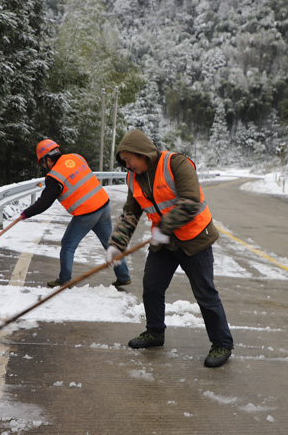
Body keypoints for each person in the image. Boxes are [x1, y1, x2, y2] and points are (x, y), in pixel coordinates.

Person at [105, 129, 233, 368]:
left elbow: (190, 201)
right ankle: (155, 332)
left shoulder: (176, 164)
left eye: (129, 159)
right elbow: (131, 213)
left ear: (142, 153)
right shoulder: (133, 178)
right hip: (164, 241)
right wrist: (116, 244)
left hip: (195, 239)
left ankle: (222, 343)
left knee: (205, 293)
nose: (127, 165)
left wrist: (164, 228)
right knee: (152, 287)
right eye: (123, 162)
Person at [21, 138, 131, 289]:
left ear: (47, 159)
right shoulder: (76, 157)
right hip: (103, 205)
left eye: (42, 163)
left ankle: (64, 280)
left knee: (68, 244)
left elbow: (44, 203)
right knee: (110, 244)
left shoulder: (54, 177)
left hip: (87, 213)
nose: (44, 166)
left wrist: (26, 213)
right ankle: (124, 276)